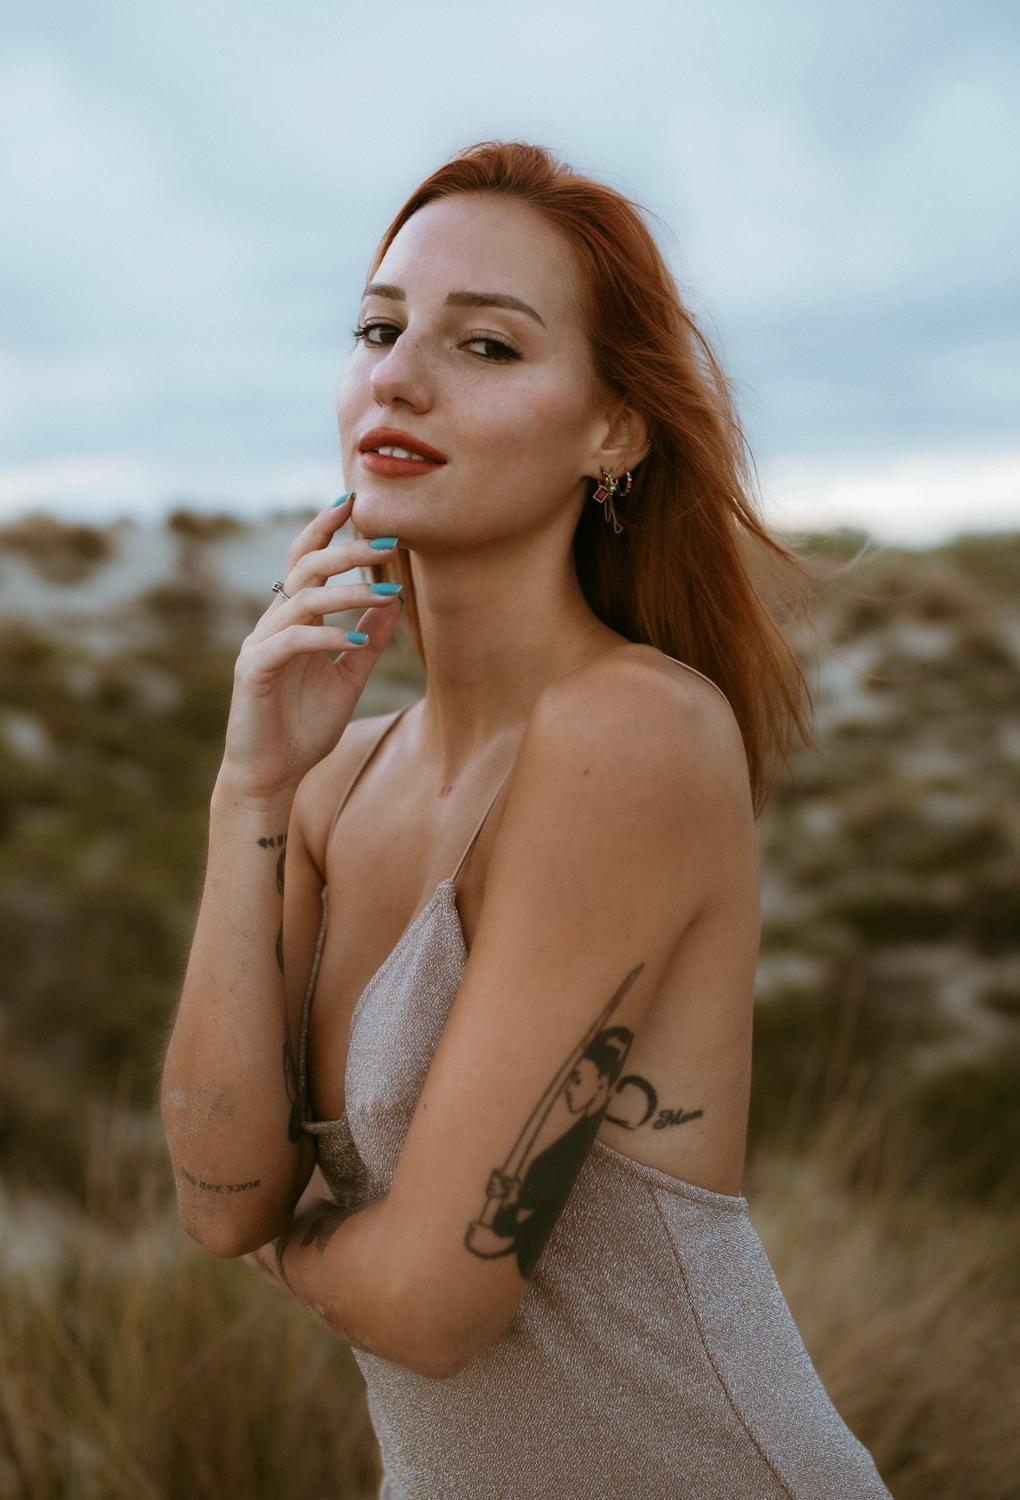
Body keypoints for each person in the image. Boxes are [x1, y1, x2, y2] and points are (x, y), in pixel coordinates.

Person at [160, 139, 891, 1497]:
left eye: (487, 346)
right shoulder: (332, 781)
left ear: (615, 431)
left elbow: (434, 1306)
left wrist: (292, 1253)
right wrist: (246, 788)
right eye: (378, 329)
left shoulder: (636, 734)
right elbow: (219, 1197)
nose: (399, 376)